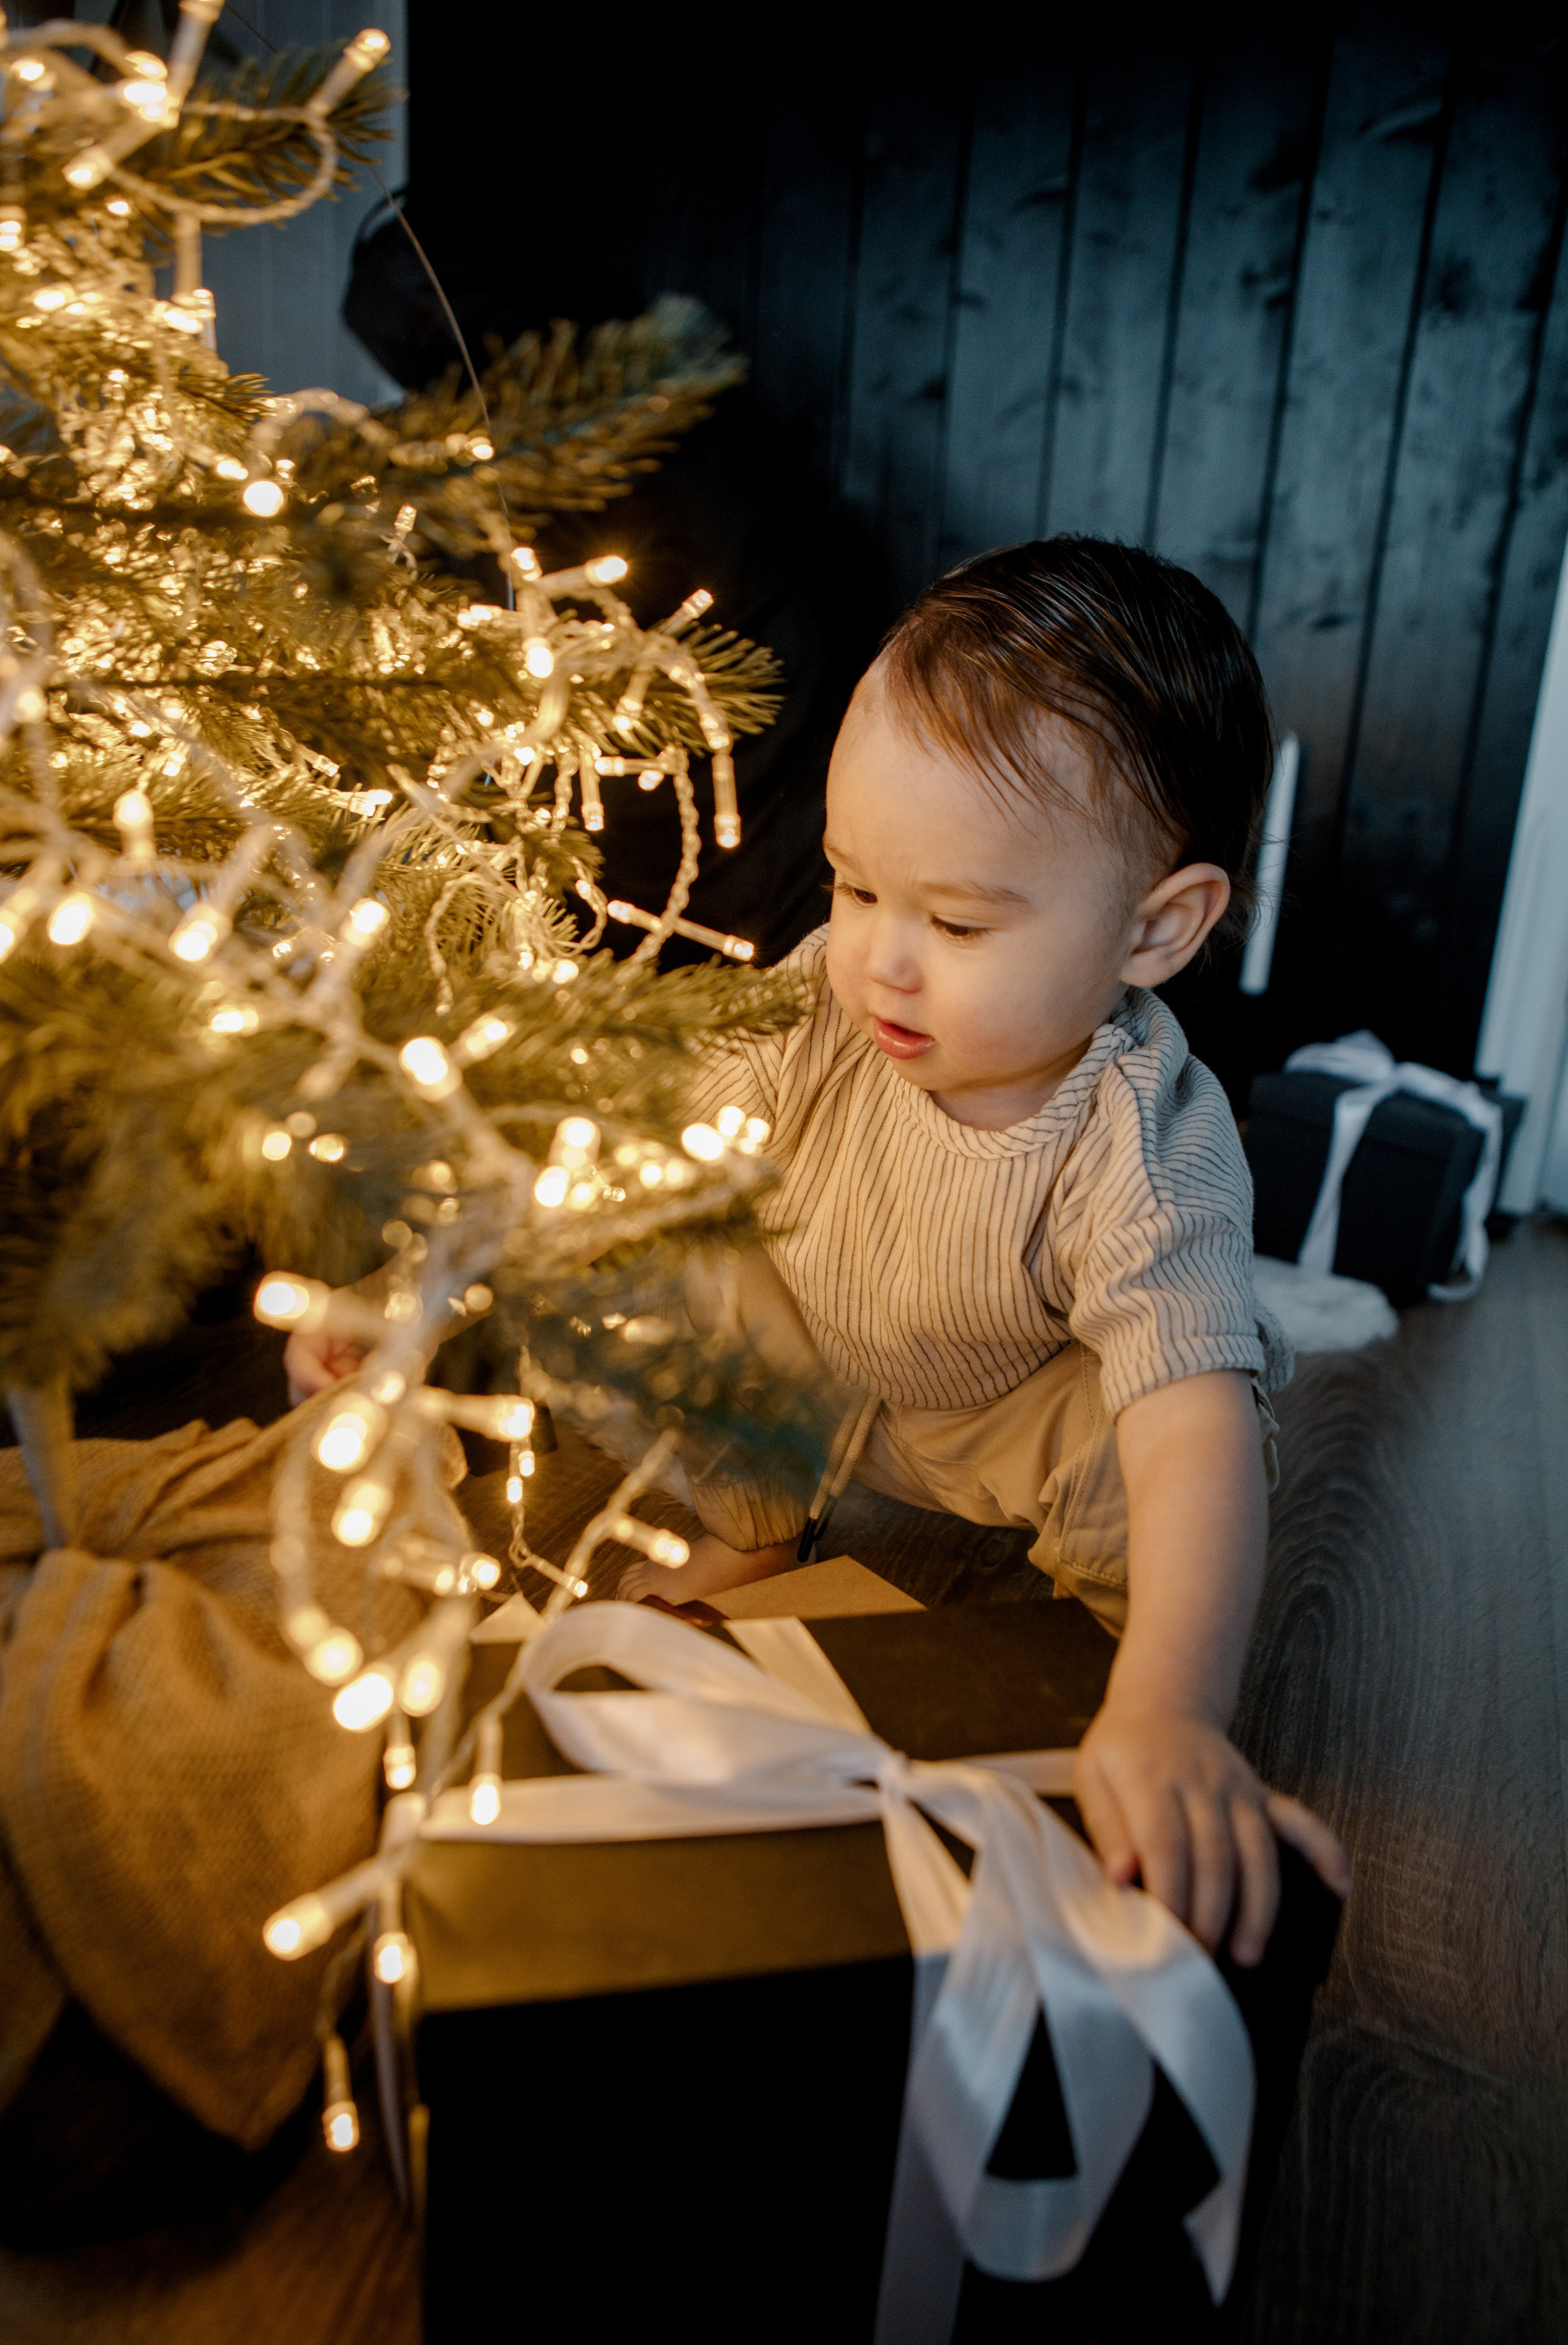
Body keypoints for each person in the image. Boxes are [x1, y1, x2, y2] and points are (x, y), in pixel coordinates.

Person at [288, 537, 1350, 1963]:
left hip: (999, 1418)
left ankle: (1127, 1695)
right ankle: (755, 1521)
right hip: (812, 1360)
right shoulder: (818, 1011)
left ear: (1154, 930)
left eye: (957, 920)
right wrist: (408, 1297)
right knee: (633, 1251)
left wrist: (1169, 1706)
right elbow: (608, 1161)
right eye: (855, 889)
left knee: (1163, 1445)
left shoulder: (1139, 1138)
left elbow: (1184, 1419)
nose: (880, 961)